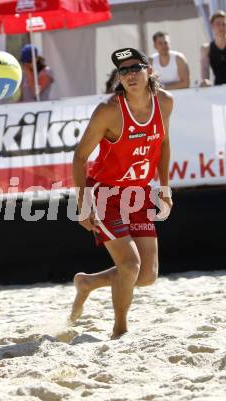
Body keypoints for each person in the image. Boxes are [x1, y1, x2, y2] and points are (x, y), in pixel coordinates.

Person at [70, 48, 173, 339]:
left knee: (147, 275)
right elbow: (79, 157)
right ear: (119, 78)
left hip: (139, 194)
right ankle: (120, 330)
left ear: (149, 71)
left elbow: (164, 144)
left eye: (135, 68)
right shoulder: (109, 111)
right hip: (106, 195)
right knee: (129, 265)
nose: (129, 75)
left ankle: (88, 283)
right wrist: (83, 204)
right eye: (123, 71)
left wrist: (164, 187)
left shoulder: (164, 102)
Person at [201, 10, 226, 87]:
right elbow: (205, 68)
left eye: (224, 24)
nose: (221, 27)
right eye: (218, 24)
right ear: (212, 26)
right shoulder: (206, 48)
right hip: (218, 88)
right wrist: (205, 80)